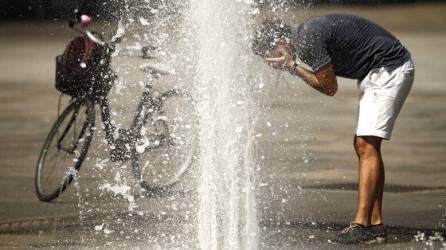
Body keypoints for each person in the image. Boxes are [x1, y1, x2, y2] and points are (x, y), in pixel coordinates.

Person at [253, 13, 414, 244]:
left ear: (281, 43)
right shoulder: (306, 35)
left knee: (366, 145)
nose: (272, 63)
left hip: (390, 68)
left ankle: (361, 226)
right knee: (366, 146)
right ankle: (375, 224)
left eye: (271, 56)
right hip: (380, 70)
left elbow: (330, 87)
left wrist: (292, 66)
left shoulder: (309, 39)